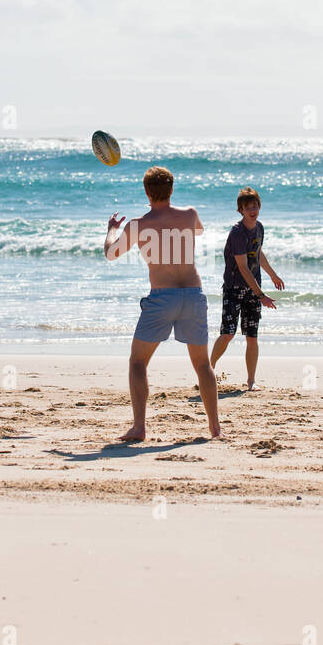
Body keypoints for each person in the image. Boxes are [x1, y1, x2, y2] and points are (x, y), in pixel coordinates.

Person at [104, 166, 220, 441]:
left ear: (146, 192)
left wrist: (111, 230)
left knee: (138, 362)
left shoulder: (137, 225)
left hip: (162, 297)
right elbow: (199, 231)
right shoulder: (190, 214)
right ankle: (215, 428)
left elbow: (111, 253)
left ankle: (139, 427)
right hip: (193, 294)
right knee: (203, 365)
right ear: (171, 189)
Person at [209, 187, 285, 391]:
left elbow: (258, 254)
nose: (253, 210)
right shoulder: (236, 233)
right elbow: (242, 267)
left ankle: (251, 381)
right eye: (248, 207)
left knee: (252, 336)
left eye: (255, 206)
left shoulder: (259, 227)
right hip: (234, 289)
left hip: (254, 288)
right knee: (228, 334)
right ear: (241, 210)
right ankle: (208, 370)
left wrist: (272, 274)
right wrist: (261, 295)